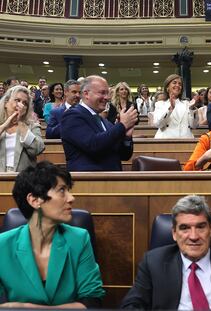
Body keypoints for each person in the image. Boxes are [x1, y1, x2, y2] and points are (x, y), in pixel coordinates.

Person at [120, 195, 211, 310]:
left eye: (200, 227)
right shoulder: (153, 263)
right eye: (184, 228)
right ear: (174, 233)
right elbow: (132, 305)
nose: (193, 236)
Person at [0, 161, 105, 308]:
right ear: (34, 200)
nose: (71, 198)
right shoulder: (2, 245)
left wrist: (26, 308)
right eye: (62, 190)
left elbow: (92, 302)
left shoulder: (79, 239)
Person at [61, 75, 138, 171]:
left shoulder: (104, 122)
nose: (107, 97)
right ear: (86, 94)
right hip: (89, 181)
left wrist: (126, 137)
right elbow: (94, 145)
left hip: (112, 181)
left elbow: (124, 156)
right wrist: (122, 125)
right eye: (102, 93)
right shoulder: (72, 116)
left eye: (108, 93)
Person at [0, 85, 44, 172]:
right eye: (17, 100)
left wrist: (20, 123)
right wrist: (4, 125)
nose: (21, 105)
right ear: (6, 103)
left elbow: (37, 149)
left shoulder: (32, 126)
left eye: (25, 103)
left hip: (24, 178)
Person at [152, 74, 198, 138]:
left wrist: (192, 109)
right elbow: (158, 124)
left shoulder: (187, 104)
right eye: (174, 83)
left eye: (180, 84)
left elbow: (194, 126)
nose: (177, 85)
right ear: (167, 87)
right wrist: (170, 109)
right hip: (165, 141)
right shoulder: (160, 104)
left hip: (186, 141)